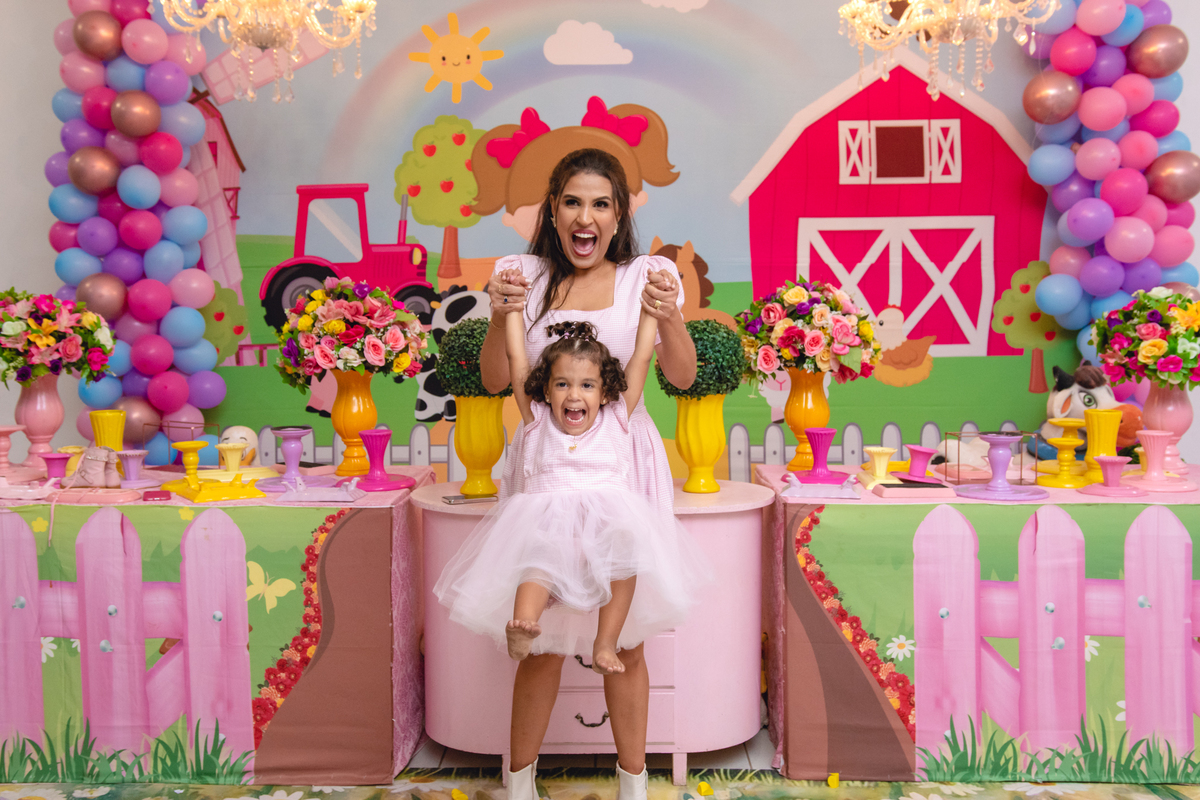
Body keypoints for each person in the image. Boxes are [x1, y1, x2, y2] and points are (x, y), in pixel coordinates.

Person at [477, 147, 701, 799]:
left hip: (621, 468)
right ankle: (520, 784)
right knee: (543, 637)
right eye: (573, 201)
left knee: (624, 637)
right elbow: (496, 379)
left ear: (619, 214)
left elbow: (681, 375)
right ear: (553, 209)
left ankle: (634, 785)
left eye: (601, 204)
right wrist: (499, 315)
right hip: (547, 473)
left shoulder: (647, 278)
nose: (586, 216)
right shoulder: (522, 276)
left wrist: (670, 314)